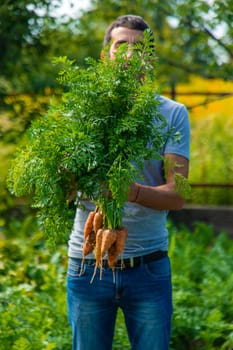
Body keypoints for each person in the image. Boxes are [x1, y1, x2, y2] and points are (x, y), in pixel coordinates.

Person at [67, 14, 190, 350]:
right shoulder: (81, 111)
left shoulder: (172, 113)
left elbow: (177, 197)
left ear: (150, 59)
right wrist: (64, 174)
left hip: (148, 268)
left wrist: (131, 191)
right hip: (87, 263)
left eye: (140, 48)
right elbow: (63, 187)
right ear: (107, 53)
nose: (131, 55)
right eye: (121, 46)